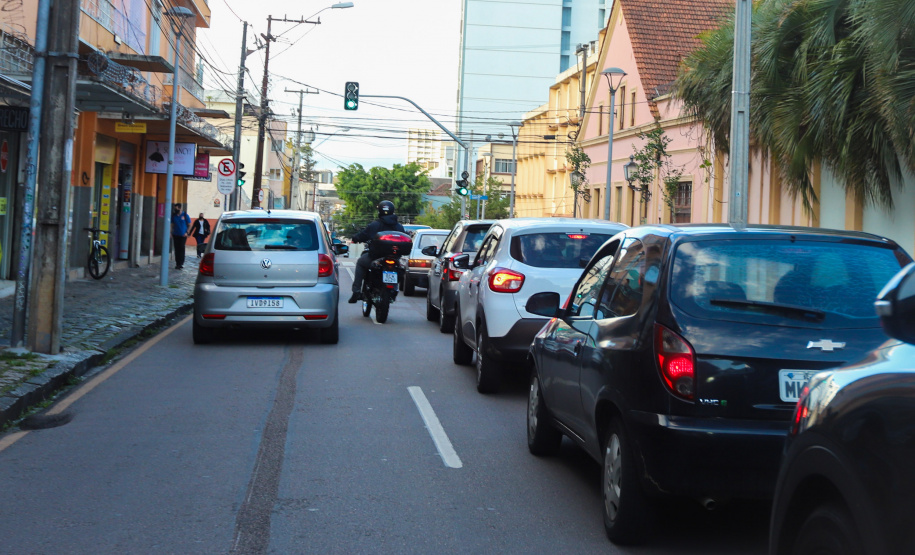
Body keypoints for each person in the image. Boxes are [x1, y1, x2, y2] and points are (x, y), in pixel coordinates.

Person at [348, 200, 405, 303]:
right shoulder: (399, 227)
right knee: (398, 269)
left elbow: (363, 235)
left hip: (375, 257)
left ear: (379, 211)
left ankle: (356, 291)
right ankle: (394, 289)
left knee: (361, 263)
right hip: (394, 257)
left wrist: (355, 238)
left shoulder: (375, 225)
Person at [171, 203, 191, 269]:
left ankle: (181, 263)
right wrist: (170, 233)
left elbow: (189, 225)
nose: (175, 210)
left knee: (181, 248)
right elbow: (172, 225)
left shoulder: (185, 215)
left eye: (176, 208)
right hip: (176, 234)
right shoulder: (174, 216)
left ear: (180, 208)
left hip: (183, 235)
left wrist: (187, 232)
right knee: (176, 249)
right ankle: (177, 263)